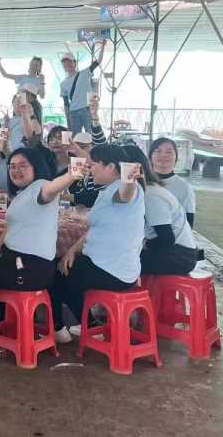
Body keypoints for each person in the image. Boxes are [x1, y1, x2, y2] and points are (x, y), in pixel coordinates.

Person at [0, 147, 81, 331]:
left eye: (22, 166)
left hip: (28, 268)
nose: (16, 170)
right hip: (19, 261)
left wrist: (71, 175)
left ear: (36, 167)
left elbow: (52, 188)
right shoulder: (22, 194)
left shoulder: (41, 186)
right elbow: (11, 227)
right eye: (12, 166)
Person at [50, 144, 145, 341]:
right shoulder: (106, 190)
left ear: (110, 167)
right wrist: (72, 250)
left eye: (94, 165)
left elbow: (126, 194)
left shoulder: (123, 189)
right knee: (63, 265)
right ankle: (85, 325)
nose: (90, 169)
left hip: (113, 270)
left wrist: (129, 177)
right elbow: (95, 228)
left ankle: (68, 327)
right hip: (103, 264)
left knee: (51, 274)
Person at [117, 145, 198, 276]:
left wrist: (142, 244)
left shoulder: (151, 195)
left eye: (111, 166)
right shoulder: (140, 190)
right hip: (171, 251)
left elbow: (166, 239)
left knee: (114, 261)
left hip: (179, 256)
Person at [149, 137, 196, 227]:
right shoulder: (142, 182)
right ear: (150, 157)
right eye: (158, 151)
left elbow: (188, 223)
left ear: (176, 158)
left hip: (172, 238)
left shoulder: (184, 187)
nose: (163, 155)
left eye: (169, 152)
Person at [60, 41, 105, 134]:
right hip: (73, 112)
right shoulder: (63, 83)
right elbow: (66, 103)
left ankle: (92, 149)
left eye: (69, 61)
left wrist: (103, 47)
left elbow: (98, 62)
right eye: (64, 63)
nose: (67, 64)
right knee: (75, 137)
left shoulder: (84, 73)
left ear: (74, 63)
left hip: (87, 109)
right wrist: (68, 119)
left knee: (91, 134)